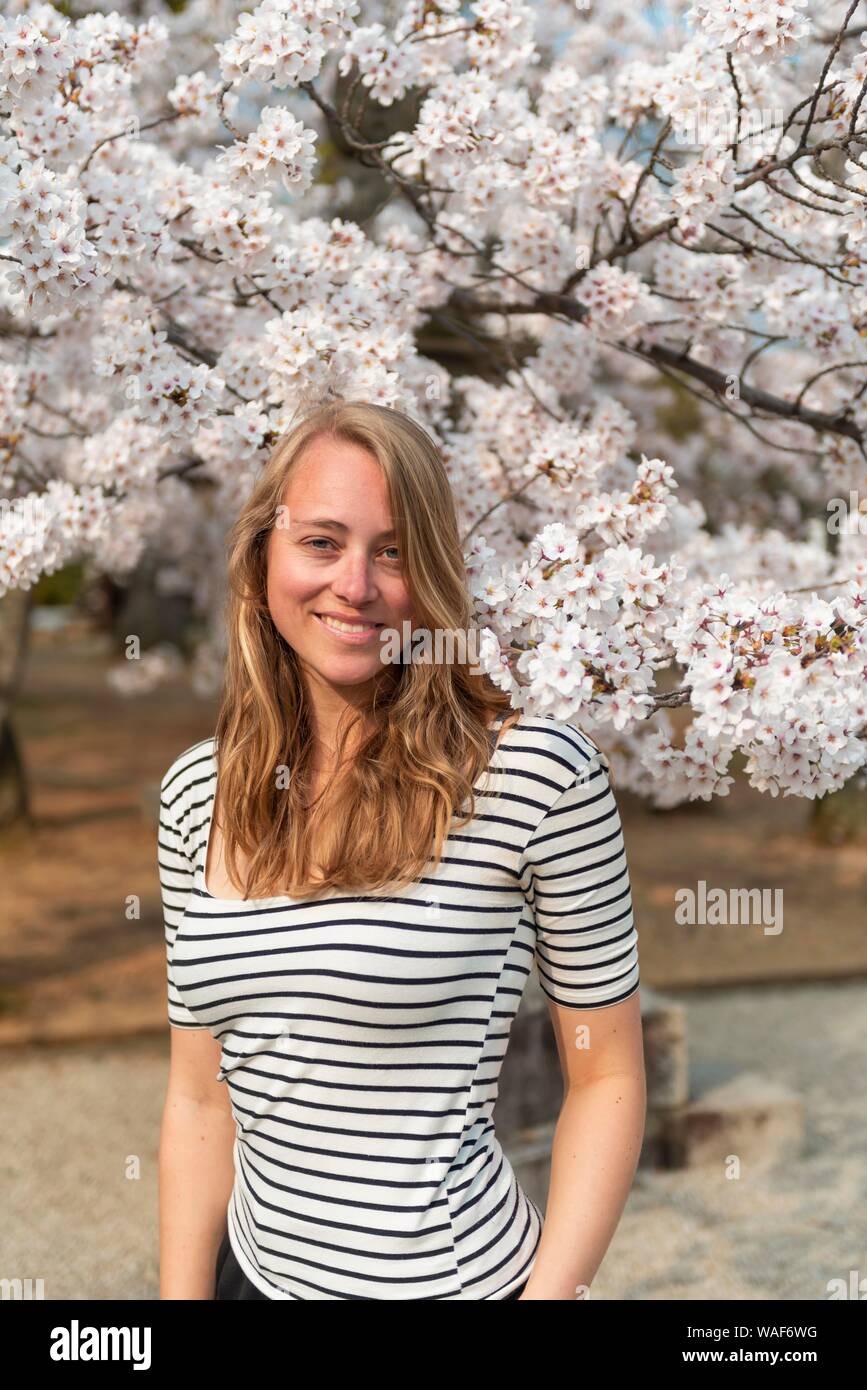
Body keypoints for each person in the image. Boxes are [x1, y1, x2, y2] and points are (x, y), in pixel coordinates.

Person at [157, 398, 645, 1301]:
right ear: (262, 555)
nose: (355, 584)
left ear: (434, 574)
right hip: (249, 1277)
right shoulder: (196, 792)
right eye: (321, 542)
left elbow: (607, 1073)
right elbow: (200, 1096)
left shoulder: (535, 775)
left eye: (393, 551)